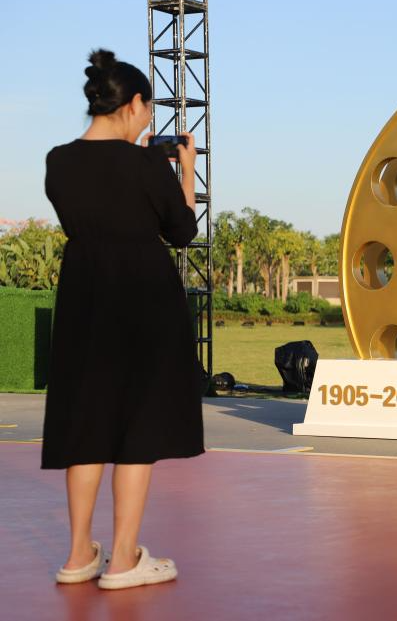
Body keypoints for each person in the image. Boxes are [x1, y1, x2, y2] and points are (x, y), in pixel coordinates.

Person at [43, 49, 204, 589]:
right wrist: (186, 172)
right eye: (148, 109)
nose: (148, 119)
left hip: (84, 296)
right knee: (137, 427)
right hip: (143, 297)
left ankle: (77, 557)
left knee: (86, 422)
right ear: (134, 104)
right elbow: (181, 232)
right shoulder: (146, 166)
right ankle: (124, 559)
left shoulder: (57, 161)